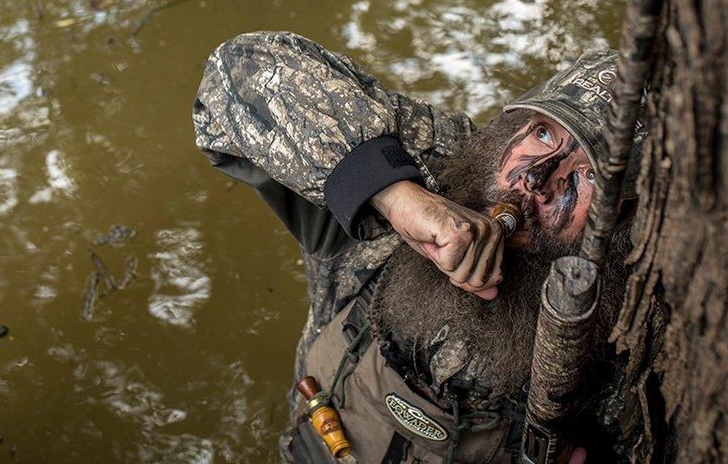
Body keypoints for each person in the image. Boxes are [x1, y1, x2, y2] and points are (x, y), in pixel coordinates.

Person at [193, 31, 644, 464]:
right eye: (543, 135)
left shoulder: (634, 311)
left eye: (589, 176)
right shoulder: (438, 163)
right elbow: (239, 68)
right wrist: (393, 194)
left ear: (625, 216)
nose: (534, 180)